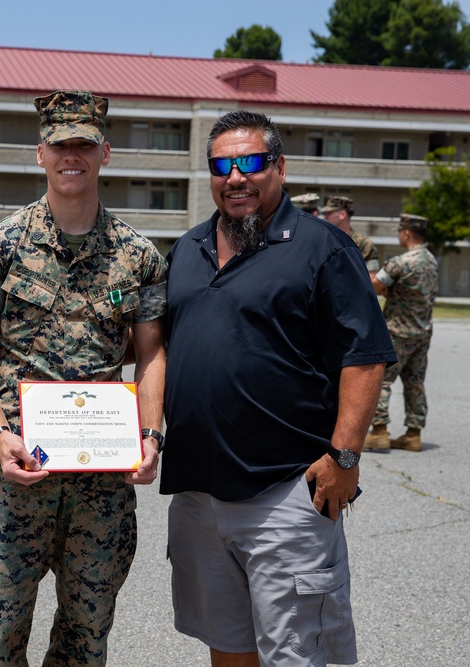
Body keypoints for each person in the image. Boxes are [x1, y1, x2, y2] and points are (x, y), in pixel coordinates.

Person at [160, 110, 396, 667]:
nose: (236, 177)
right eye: (222, 165)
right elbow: (161, 349)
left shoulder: (322, 248)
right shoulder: (188, 249)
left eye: (251, 162)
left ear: (280, 167)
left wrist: (344, 454)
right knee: (229, 647)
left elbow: (363, 357)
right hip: (198, 492)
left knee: (300, 654)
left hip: (284, 493)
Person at [0, 90, 168, 666]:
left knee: (87, 637)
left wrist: (151, 437)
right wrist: (0, 434)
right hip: (18, 467)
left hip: (102, 481)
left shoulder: (139, 255)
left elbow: (150, 356)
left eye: (84, 144)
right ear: (40, 154)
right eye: (59, 144)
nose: (71, 155)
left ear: (105, 153)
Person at [363, 213, 439, 453]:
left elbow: (375, 286)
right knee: (415, 382)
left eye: (399, 231)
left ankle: (379, 431)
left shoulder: (401, 262)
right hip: (423, 331)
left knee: (382, 380)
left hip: (397, 331)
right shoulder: (431, 260)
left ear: (406, 233)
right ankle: (413, 434)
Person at [320, 195, 380, 275]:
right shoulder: (322, 240)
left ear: (342, 215)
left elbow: (371, 277)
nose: (325, 216)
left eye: (329, 213)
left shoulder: (364, 243)